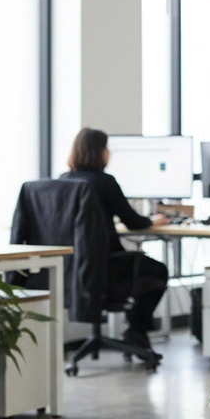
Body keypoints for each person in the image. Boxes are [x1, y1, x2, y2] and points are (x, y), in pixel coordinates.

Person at [62, 128, 170, 353]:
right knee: (158, 270)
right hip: (107, 265)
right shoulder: (104, 181)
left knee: (147, 269)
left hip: (73, 269)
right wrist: (153, 220)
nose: (109, 154)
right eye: (107, 149)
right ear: (99, 152)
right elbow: (133, 222)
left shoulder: (64, 181)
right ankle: (137, 329)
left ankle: (136, 331)